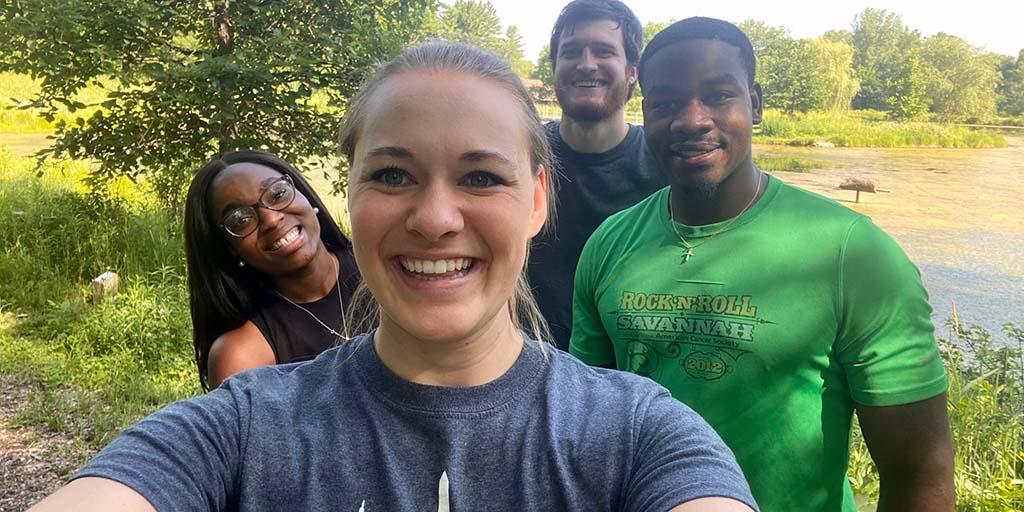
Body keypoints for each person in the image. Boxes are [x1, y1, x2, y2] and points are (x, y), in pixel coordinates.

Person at [29, 43, 758, 512]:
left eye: (479, 175)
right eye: (392, 174)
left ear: (537, 200)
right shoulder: (246, 427)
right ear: (348, 191)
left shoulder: (640, 434)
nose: (435, 217)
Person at [570, 18, 954, 512]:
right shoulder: (609, 244)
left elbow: (919, 476)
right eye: (665, 103)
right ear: (647, 112)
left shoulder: (853, 254)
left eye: (717, 95)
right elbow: (586, 426)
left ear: (754, 104)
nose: (692, 119)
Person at [527, 0, 667, 350]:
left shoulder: (666, 167)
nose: (586, 64)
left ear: (633, 70)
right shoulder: (520, 157)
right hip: (526, 363)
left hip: (629, 374)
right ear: (555, 66)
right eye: (571, 52)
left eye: (603, 51)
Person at [184, 150, 359, 390]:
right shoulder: (244, 357)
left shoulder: (385, 267)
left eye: (277, 194)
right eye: (240, 220)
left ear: (302, 194)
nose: (271, 219)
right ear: (229, 249)